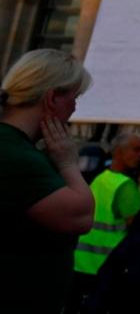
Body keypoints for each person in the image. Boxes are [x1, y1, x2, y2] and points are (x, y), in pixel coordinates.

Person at [0, 48, 95, 314]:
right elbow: (81, 215)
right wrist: (67, 162)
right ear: (52, 97)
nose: (75, 108)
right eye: (74, 98)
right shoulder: (16, 155)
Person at [70, 133, 140, 311]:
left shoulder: (100, 178)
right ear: (119, 152)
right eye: (137, 149)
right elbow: (137, 228)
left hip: (80, 262)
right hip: (106, 267)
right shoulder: (126, 186)